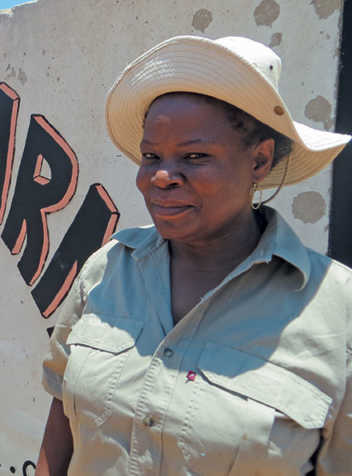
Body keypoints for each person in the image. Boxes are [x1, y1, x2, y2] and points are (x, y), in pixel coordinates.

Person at [36, 36, 352, 475]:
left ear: (259, 161)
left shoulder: (337, 312)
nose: (161, 177)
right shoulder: (109, 269)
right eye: (151, 156)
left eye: (195, 155)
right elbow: (62, 416)